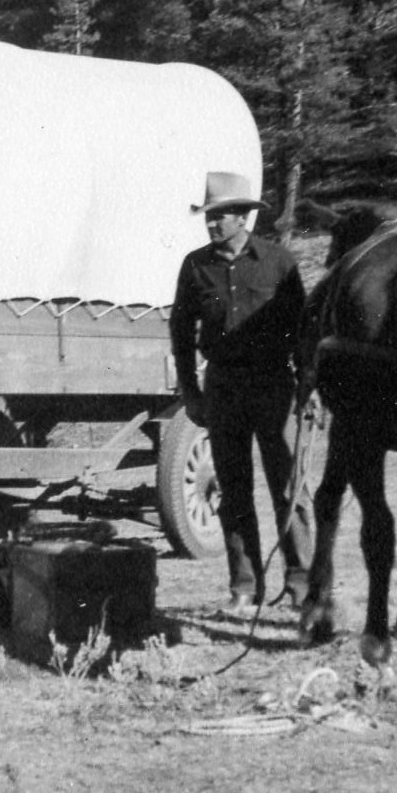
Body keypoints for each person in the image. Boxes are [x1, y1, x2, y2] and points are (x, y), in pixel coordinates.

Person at [169, 171, 311, 616]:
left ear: (244, 217)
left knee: (289, 485)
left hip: (274, 387)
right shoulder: (196, 266)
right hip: (223, 388)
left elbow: (305, 332)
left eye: (222, 216)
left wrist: (308, 388)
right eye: (209, 216)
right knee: (233, 491)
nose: (213, 224)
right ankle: (244, 587)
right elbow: (180, 332)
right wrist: (191, 391)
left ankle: (302, 584)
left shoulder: (278, 262)